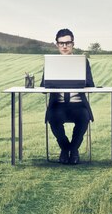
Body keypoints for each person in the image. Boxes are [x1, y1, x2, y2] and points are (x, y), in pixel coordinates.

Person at [40, 28, 95, 165]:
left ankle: (74, 150)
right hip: (58, 105)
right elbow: (43, 86)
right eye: (61, 43)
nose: (64, 46)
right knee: (53, 117)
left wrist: (77, 82)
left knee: (84, 117)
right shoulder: (51, 63)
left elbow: (90, 84)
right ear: (57, 44)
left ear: (73, 44)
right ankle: (66, 149)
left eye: (68, 43)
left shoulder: (83, 62)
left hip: (78, 105)